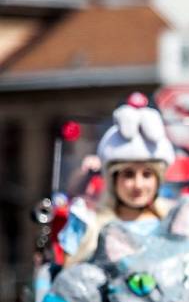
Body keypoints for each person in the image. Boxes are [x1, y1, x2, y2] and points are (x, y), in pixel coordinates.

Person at [60, 100, 175, 266]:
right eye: (128, 175)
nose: (138, 185)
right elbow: (69, 281)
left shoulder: (172, 224)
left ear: (158, 179)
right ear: (113, 179)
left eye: (147, 174)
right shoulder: (91, 226)